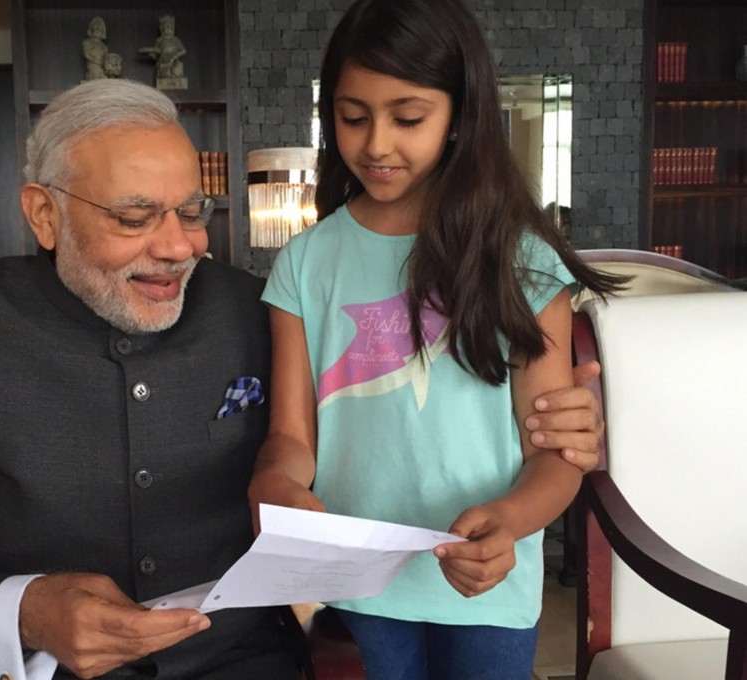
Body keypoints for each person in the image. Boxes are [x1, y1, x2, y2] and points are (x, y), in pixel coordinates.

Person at [0, 78, 606, 680]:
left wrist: (571, 421)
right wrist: (30, 612)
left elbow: (387, 402)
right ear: (43, 215)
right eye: (135, 218)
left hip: (230, 666)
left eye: (192, 210)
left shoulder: (250, 309)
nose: (177, 247)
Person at [247, 1, 626, 679]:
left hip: (486, 585)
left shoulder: (521, 259)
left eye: (409, 118)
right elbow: (292, 437)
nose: (375, 145)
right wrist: (275, 483)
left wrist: (510, 520)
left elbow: (558, 453)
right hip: (358, 581)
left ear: (461, 115)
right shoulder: (305, 263)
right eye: (353, 116)